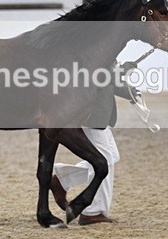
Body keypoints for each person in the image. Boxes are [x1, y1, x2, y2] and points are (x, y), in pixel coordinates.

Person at [50, 62, 138, 225]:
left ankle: (62, 179)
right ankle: (92, 212)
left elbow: (107, 79)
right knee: (104, 160)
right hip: (91, 115)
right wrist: (120, 71)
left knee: (112, 156)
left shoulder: (106, 47)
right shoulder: (88, 47)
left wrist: (129, 92)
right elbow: (93, 77)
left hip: (100, 115)